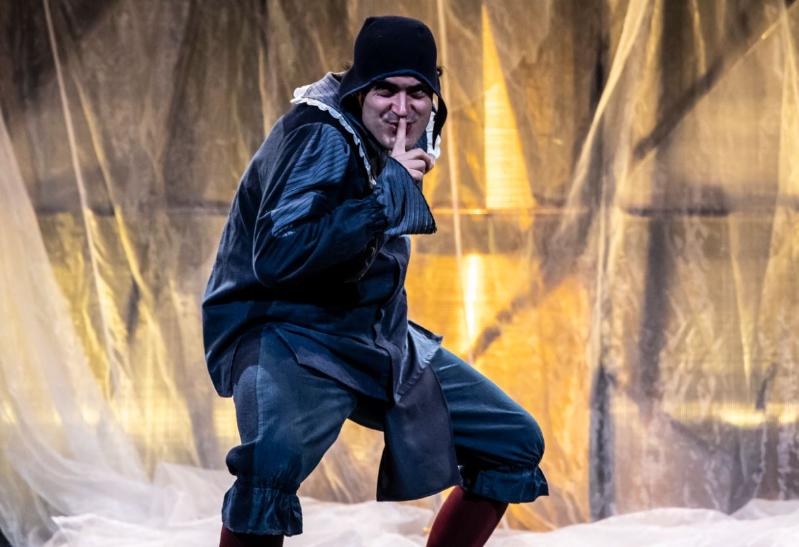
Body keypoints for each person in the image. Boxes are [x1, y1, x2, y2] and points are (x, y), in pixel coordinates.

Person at [202, 15, 548, 547]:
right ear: (359, 90)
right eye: (386, 90)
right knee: (269, 464)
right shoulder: (319, 136)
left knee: (512, 441)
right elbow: (277, 255)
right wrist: (385, 198)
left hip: (373, 335)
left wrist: (389, 189)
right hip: (292, 333)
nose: (402, 108)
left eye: (417, 93)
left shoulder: (393, 137)